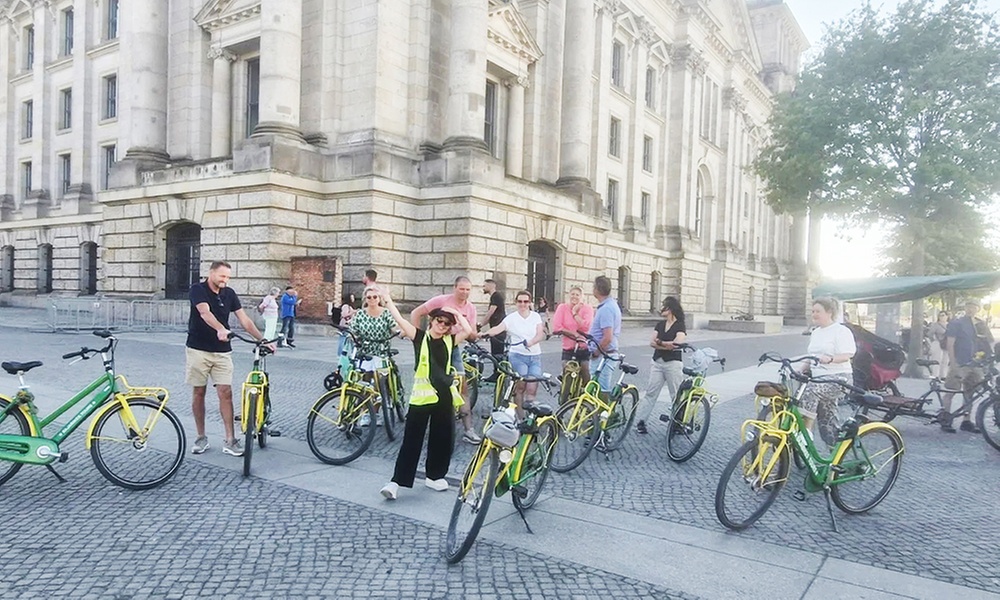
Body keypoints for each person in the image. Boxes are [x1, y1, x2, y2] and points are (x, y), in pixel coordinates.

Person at [379, 288, 474, 500]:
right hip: (422, 397)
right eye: (440, 321)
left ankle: (435, 476)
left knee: (443, 438)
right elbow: (401, 321)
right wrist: (388, 301)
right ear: (431, 321)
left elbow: (468, 330)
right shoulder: (419, 337)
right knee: (412, 440)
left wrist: (456, 314)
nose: (443, 325)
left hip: (444, 396)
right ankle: (396, 482)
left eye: (447, 324)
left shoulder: (450, 340)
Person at [186, 261, 273, 457]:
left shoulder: (229, 294)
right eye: (222, 276)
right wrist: (220, 329)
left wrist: (262, 340)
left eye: (228, 277)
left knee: (225, 392)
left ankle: (230, 440)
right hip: (198, 349)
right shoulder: (197, 289)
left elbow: (245, 320)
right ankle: (201, 437)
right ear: (211, 273)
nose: (225, 280)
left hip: (222, 351)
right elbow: (204, 312)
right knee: (199, 392)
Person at [410, 276, 481, 443]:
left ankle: (469, 429)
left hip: (452, 346)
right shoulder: (441, 300)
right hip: (431, 346)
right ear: (454, 288)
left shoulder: (470, 308)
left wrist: (472, 333)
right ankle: (420, 420)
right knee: (427, 383)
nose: (464, 292)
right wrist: (418, 339)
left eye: (468, 289)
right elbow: (416, 313)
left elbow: (471, 333)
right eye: (461, 289)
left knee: (462, 387)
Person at [800, 297, 856, 448]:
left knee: (810, 390)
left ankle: (806, 432)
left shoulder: (841, 331)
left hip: (839, 379)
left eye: (818, 311)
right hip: (820, 380)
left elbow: (848, 354)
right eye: (813, 311)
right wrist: (799, 369)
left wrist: (831, 359)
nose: (814, 314)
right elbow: (812, 356)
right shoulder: (816, 333)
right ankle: (835, 454)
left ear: (829, 312)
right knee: (827, 425)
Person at [483, 290, 546, 412]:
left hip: (534, 356)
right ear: (516, 302)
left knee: (532, 388)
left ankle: (530, 416)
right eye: (520, 301)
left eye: (526, 301)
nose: (523, 304)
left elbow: (540, 334)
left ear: (530, 303)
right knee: (520, 387)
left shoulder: (535, 316)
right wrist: (484, 334)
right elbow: (498, 328)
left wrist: (531, 342)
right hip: (518, 355)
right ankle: (520, 416)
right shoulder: (511, 318)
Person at [634, 297, 688, 434]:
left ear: (670, 308)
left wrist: (660, 343)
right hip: (658, 362)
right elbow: (652, 343)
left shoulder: (680, 325)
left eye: (664, 306)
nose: (661, 308)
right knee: (650, 393)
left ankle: (678, 424)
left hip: (673, 364)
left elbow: (676, 344)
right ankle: (641, 421)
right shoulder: (659, 325)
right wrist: (665, 345)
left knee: (676, 395)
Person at [940, 300, 990, 433]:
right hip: (960, 362)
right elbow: (950, 343)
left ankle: (966, 420)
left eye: (973, 307)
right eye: (968, 307)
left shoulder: (981, 324)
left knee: (970, 392)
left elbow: (985, 342)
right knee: (951, 390)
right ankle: (945, 418)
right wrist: (953, 363)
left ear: (978, 309)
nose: (970, 309)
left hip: (975, 363)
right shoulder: (956, 323)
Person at [352, 285, 397, 427]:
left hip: (381, 352)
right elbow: (353, 330)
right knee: (365, 384)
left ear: (379, 299)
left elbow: (394, 327)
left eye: (375, 297)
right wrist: (351, 335)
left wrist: (401, 332)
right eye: (369, 297)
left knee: (378, 386)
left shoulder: (385, 313)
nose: (372, 299)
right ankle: (366, 413)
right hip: (365, 353)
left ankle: (376, 413)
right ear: (365, 299)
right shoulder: (360, 314)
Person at [551, 286, 594, 383]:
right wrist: (573, 334)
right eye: (572, 294)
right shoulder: (562, 308)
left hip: (583, 346)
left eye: (577, 295)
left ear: (582, 297)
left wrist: (575, 313)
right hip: (568, 346)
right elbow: (557, 327)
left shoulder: (587, 308)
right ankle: (565, 389)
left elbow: (586, 326)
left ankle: (585, 388)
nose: (574, 296)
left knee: (585, 368)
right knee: (566, 367)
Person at [587, 275, 622, 392]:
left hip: (603, 356)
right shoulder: (610, 305)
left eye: (594, 286)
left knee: (600, 391)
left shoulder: (606, 309)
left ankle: (604, 405)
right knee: (597, 389)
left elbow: (607, 337)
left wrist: (596, 352)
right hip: (605, 354)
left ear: (597, 289)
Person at [479, 279, 506, 383]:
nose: (483, 288)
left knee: (497, 353)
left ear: (491, 286)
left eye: (485, 286)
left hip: (498, 330)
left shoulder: (496, 296)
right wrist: (481, 324)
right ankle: (498, 373)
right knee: (496, 352)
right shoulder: (495, 296)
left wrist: (480, 324)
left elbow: (490, 313)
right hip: (496, 329)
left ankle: (498, 375)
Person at [927, 310, 950, 378]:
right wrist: (934, 340)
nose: (941, 317)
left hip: (947, 344)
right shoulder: (936, 325)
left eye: (943, 315)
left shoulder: (949, 325)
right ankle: (935, 375)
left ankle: (943, 376)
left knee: (945, 360)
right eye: (940, 316)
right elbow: (930, 334)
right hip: (938, 343)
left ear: (947, 316)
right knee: (937, 359)